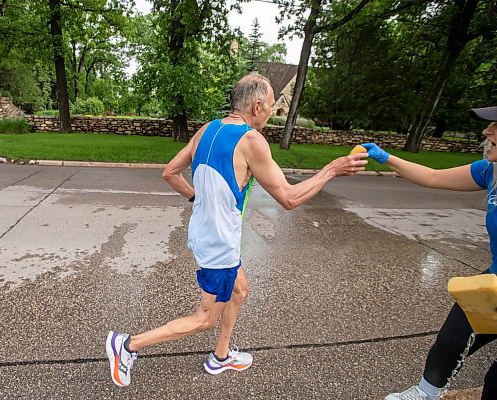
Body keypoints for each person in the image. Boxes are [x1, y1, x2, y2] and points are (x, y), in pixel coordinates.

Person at [105, 73, 368, 387]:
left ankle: (221, 355)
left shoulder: (207, 129)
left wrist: (199, 198)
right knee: (204, 319)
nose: (270, 114)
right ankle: (127, 345)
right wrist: (331, 170)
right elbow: (289, 197)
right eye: (270, 107)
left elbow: (170, 173)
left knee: (240, 291)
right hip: (219, 246)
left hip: (205, 235)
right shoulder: (251, 140)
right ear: (257, 106)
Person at [360, 106, 497, 400]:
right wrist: (385, 157)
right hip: (494, 282)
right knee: (451, 340)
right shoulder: (490, 171)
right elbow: (433, 176)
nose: (487, 132)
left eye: (496, 126)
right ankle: (426, 393)